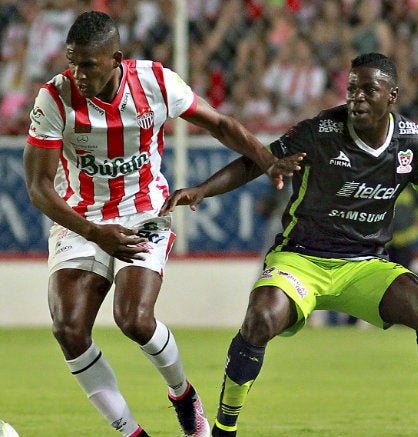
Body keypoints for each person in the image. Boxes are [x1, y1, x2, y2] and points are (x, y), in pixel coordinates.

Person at [161, 53, 418, 437]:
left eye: (368, 90)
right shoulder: (319, 133)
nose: (356, 97)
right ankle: (223, 429)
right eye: (352, 88)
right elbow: (257, 162)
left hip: (364, 265)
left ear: (392, 96)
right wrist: (204, 190)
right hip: (301, 260)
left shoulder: (413, 143)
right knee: (260, 317)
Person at [22, 11, 289, 437]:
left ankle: (184, 396)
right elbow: (38, 186)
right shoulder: (54, 98)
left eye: (87, 64)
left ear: (116, 59)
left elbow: (220, 124)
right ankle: (131, 432)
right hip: (82, 218)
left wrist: (267, 160)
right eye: (72, 62)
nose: (78, 73)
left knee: (134, 320)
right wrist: (93, 233)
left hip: (143, 211)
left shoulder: (156, 83)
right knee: (68, 329)